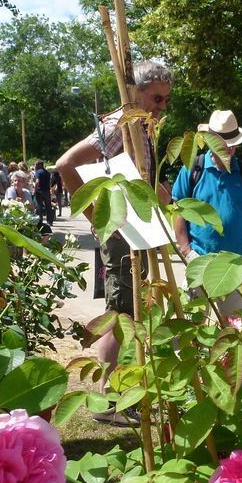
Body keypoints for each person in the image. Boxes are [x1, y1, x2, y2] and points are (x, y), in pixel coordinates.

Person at [56, 60, 173, 426]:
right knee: (121, 313)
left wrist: (161, 194)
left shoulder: (141, 129)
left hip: (139, 232)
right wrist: (96, 216)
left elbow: (140, 177)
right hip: (123, 234)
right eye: (156, 97)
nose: (161, 106)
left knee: (132, 311)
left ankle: (120, 393)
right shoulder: (116, 126)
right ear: (136, 92)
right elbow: (66, 164)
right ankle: (104, 400)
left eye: (166, 100)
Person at [173, 110, 242, 317]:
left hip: (235, 266)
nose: (227, 149)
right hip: (199, 260)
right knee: (195, 330)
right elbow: (179, 212)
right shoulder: (193, 169)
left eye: (231, 144)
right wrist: (187, 252)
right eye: (221, 143)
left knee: (234, 329)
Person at [33, 159, 54, 225]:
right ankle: (49, 222)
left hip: (39, 191)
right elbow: (49, 182)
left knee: (39, 206)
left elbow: (37, 181)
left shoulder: (38, 172)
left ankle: (39, 221)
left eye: (36, 164)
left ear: (39, 165)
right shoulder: (47, 172)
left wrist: (34, 190)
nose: (35, 166)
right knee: (48, 206)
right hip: (46, 191)